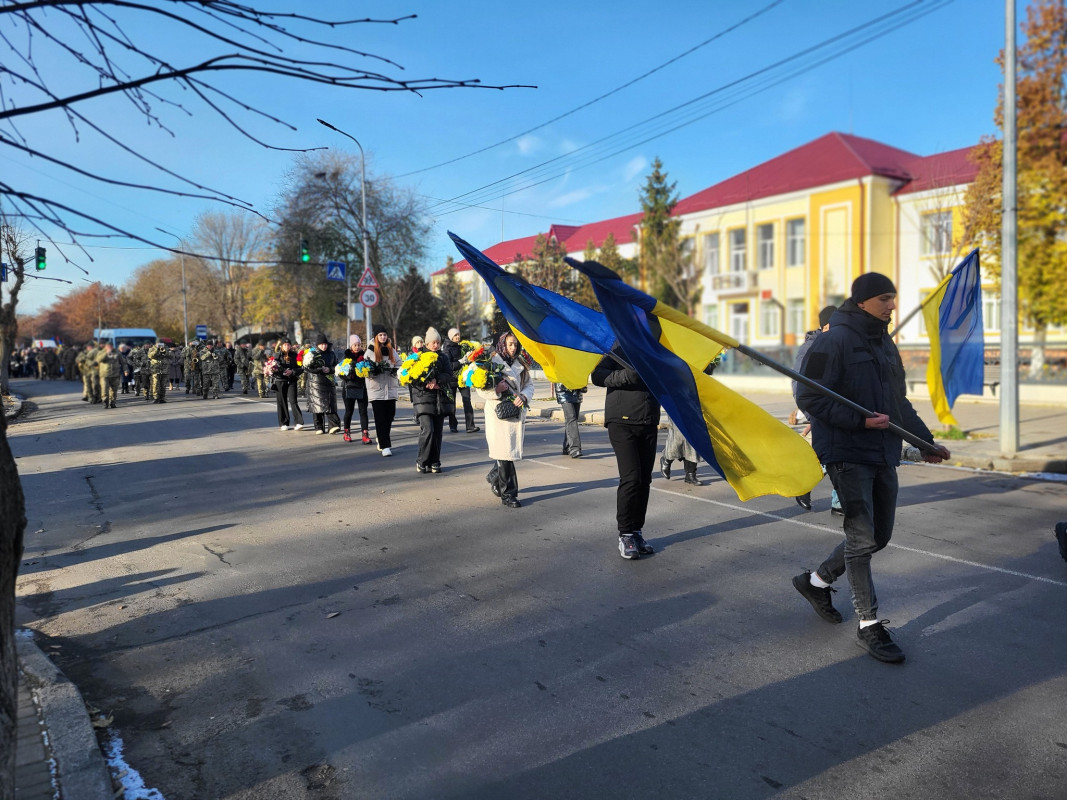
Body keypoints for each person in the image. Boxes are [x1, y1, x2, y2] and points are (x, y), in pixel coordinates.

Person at [792, 273, 950, 664]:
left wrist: (925, 442)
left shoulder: (883, 344)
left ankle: (815, 582)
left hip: (883, 451)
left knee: (879, 536)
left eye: (894, 298)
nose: (892, 305)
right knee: (861, 540)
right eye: (884, 298)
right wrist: (860, 421)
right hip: (846, 451)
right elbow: (809, 397)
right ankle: (869, 625)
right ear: (862, 301)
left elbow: (899, 403)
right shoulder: (833, 341)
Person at [592, 346, 660, 559]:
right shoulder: (618, 349)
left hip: (648, 420)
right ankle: (625, 534)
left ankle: (637, 531)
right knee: (631, 478)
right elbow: (597, 376)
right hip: (621, 421)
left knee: (644, 480)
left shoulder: (655, 351)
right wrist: (629, 375)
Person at [476, 332, 535, 508]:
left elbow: (529, 386)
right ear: (502, 344)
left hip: (515, 411)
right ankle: (509, 494)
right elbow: (480, 389)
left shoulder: (521, 364)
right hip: (498, 415)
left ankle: (495, 475)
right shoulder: (491, 363)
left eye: (515, 345)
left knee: (506, 454)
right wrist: (497, 390)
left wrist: (524, 396)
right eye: (510, 344)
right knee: (506, 455)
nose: (513, 348)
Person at [793, 305, 842, 514]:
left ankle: (839, 503)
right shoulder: (810, 349)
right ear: (828, 325)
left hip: (837, 408)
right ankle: (804, 485)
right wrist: (813, 415)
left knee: (840, 454)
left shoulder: (837, 344)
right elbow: (799, 386)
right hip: (821, 410)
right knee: (830, 454)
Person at [410, 327, 455, 473]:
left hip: (439, 399)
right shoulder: (419, 357)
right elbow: (412, 378)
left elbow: (449, 374)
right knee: (428, 430)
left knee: (437, 432)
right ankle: (422, 460)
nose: (436, 345)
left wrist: (438, 381)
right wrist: (426, 382)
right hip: (423, 399)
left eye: (438, 342)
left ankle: (435, 461)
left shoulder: (443, 357)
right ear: (427, 344)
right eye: (433, 343)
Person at [365, 325, 401, 456]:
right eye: (380, 335)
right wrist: (373, 370)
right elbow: (364, 369)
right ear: (376, 337)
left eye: (384, 335)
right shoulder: (370, 351)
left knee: (390, 416)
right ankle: (385, 446)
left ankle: (381, 438)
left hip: (390, 389)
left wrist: (394, 370)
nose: (383, 337)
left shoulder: (391, 349)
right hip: (376, 390)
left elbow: (399, 363)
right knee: (380, 418)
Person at [443, 328, 479, 433]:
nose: (457, 337)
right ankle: (453, 425)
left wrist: (469, 358)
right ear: (451, 337)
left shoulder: (463, 346)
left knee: (467, 400)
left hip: (464, 378)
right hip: (452, 378)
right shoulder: (447, 348)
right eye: (455, 336)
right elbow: (449, 366)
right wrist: (461, 361)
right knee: (452, 403)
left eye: (458, 335)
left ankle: (470, 426)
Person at [305, 333, 341, 435]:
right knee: (317, 405)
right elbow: (307, 367)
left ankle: (333, 426)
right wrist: (320, 369)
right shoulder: (312, 354)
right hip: (315, 383)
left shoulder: (332, 354)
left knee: (330, 405)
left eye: (325, 344)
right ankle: (319, 427)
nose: (324, 346)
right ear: (317, 345)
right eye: (321, 344)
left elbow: (337, 366)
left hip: (329, 382)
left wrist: (329, 369)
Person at [340, 334, 371, 444]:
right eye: (355, 345)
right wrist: (348, 375)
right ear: (351, 346)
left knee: (363, 411)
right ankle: (346, 432)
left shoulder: (365, 357)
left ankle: (365, 434)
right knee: (349, 411)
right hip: (349, 387)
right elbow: (340, 373)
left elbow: (369, 370)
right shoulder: (346, 357)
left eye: (358, 345)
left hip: (362, 387)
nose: (357, 347)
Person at [659, 416, 702, 485]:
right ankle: (666, 460)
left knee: (692, 441)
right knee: (678, 438)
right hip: (678, 409)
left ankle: (690, 474)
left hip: (693, 409)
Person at [274, 338, 304, 430]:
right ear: (281, 346)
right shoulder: (277, 356)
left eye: (288, 345)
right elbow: (272, 369)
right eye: (285, 345)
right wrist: (279, 371)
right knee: (281, 402)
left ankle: (299, 422)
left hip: (292, 380)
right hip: (280, 381)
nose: (287, 346)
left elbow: (301, 368)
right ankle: (284, 423)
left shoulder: (295, 355)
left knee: (293, 401)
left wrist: (292, 371)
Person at [554, 382, 586, 458]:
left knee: (574, 418)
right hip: (563, 389)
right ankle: (575, 448)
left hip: (577, 389)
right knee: (571, 417)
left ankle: (567, 446)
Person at [94, 341, 127, 409]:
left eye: (111, 346)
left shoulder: (117, 353)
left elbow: (123, 362)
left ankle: (113, 402)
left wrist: (126, 370)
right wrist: (106, 353)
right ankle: (105, 402)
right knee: (104, 389)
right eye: (108, 346)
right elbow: (98, 360)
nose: (110, 347)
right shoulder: (101, 352)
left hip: (115, 375)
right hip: (104, 375)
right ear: (105, 346)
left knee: (114, 390)